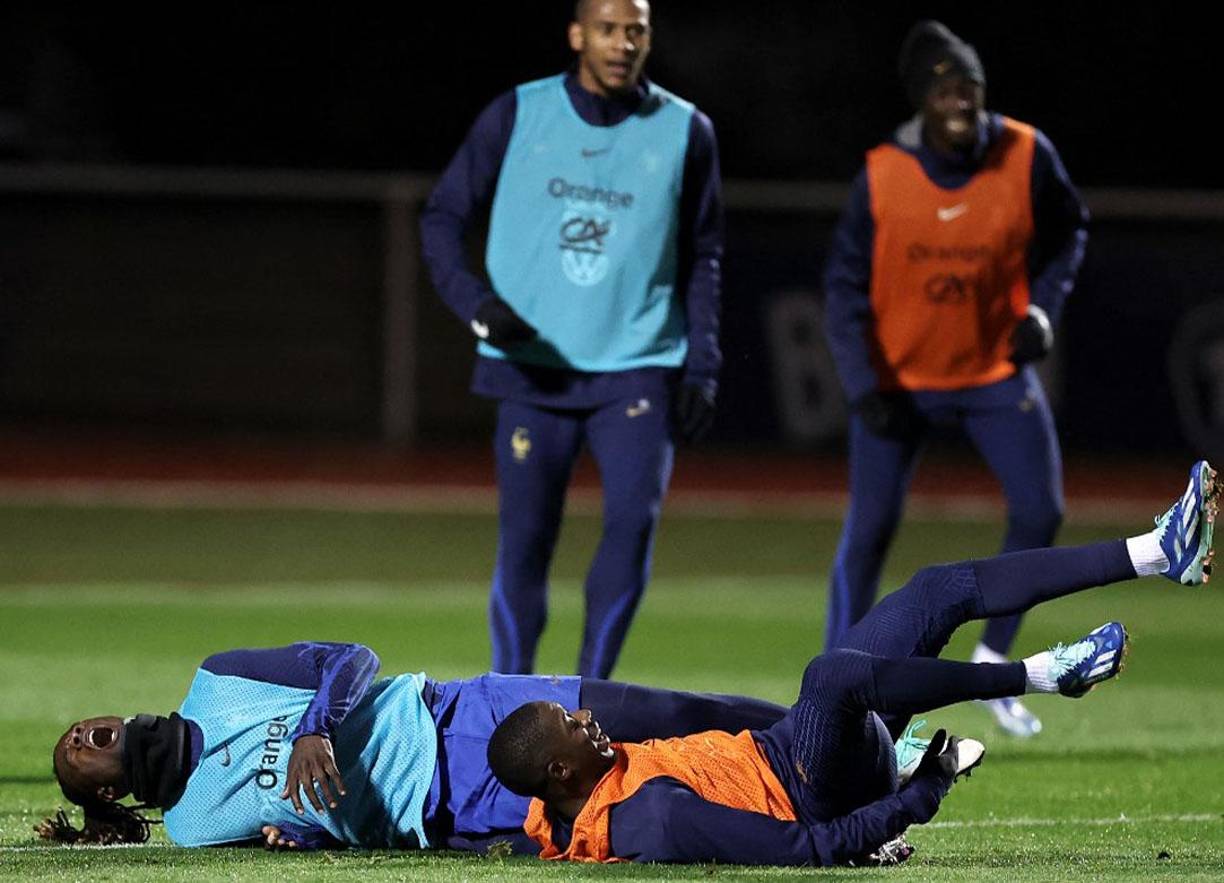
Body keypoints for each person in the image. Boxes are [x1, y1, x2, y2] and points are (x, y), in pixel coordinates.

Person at [487, 462, 1216, 866]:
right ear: (560, 768)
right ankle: (1040, 674)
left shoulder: (574, 795)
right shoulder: (649, 819)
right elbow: (808, 848)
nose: (586, 715)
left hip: (802, 753)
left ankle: (1157, 554)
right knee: (828, 675)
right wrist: (921, 790)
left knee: (936, 590)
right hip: (817, 788)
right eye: (570, 723)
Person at [419, 0, 723, 679]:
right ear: (578, 34)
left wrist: (702, 361)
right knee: (525, 542)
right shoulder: (518, 113)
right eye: (609, 30)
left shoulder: (685, 129)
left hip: (638, 368)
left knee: (631, 527)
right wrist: (476, 306)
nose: (623, 44)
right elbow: (441, 216)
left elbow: (705, 252)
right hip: (533, 370)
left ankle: (591, 696)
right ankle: (509, 694)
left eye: (636, 30)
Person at [822, 20, 1090, 737]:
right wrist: (861, 381)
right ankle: (832, 684)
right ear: (920, 100)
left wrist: (1042, 308)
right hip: (900, 379)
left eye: (969, 85)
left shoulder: (1028, 153)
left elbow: (1071, 230)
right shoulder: (881, 172)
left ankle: (994, 664)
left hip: (992, 370)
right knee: (869, 532)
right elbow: (844, 287)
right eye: (943, 88)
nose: (960, 100)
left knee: (1040, 508)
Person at [40, 652, 784, 851]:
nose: (78, 735)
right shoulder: (192, 827)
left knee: (687, 714)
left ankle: (825, 726)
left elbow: (351, 655)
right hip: (450, 812)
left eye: (76, 727)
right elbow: (288, 828)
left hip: (470, 715)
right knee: (666, 810)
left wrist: (315, 728)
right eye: (74, 756)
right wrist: (292, 837)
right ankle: (822, 821)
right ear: (106, 792)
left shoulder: (218, 678)